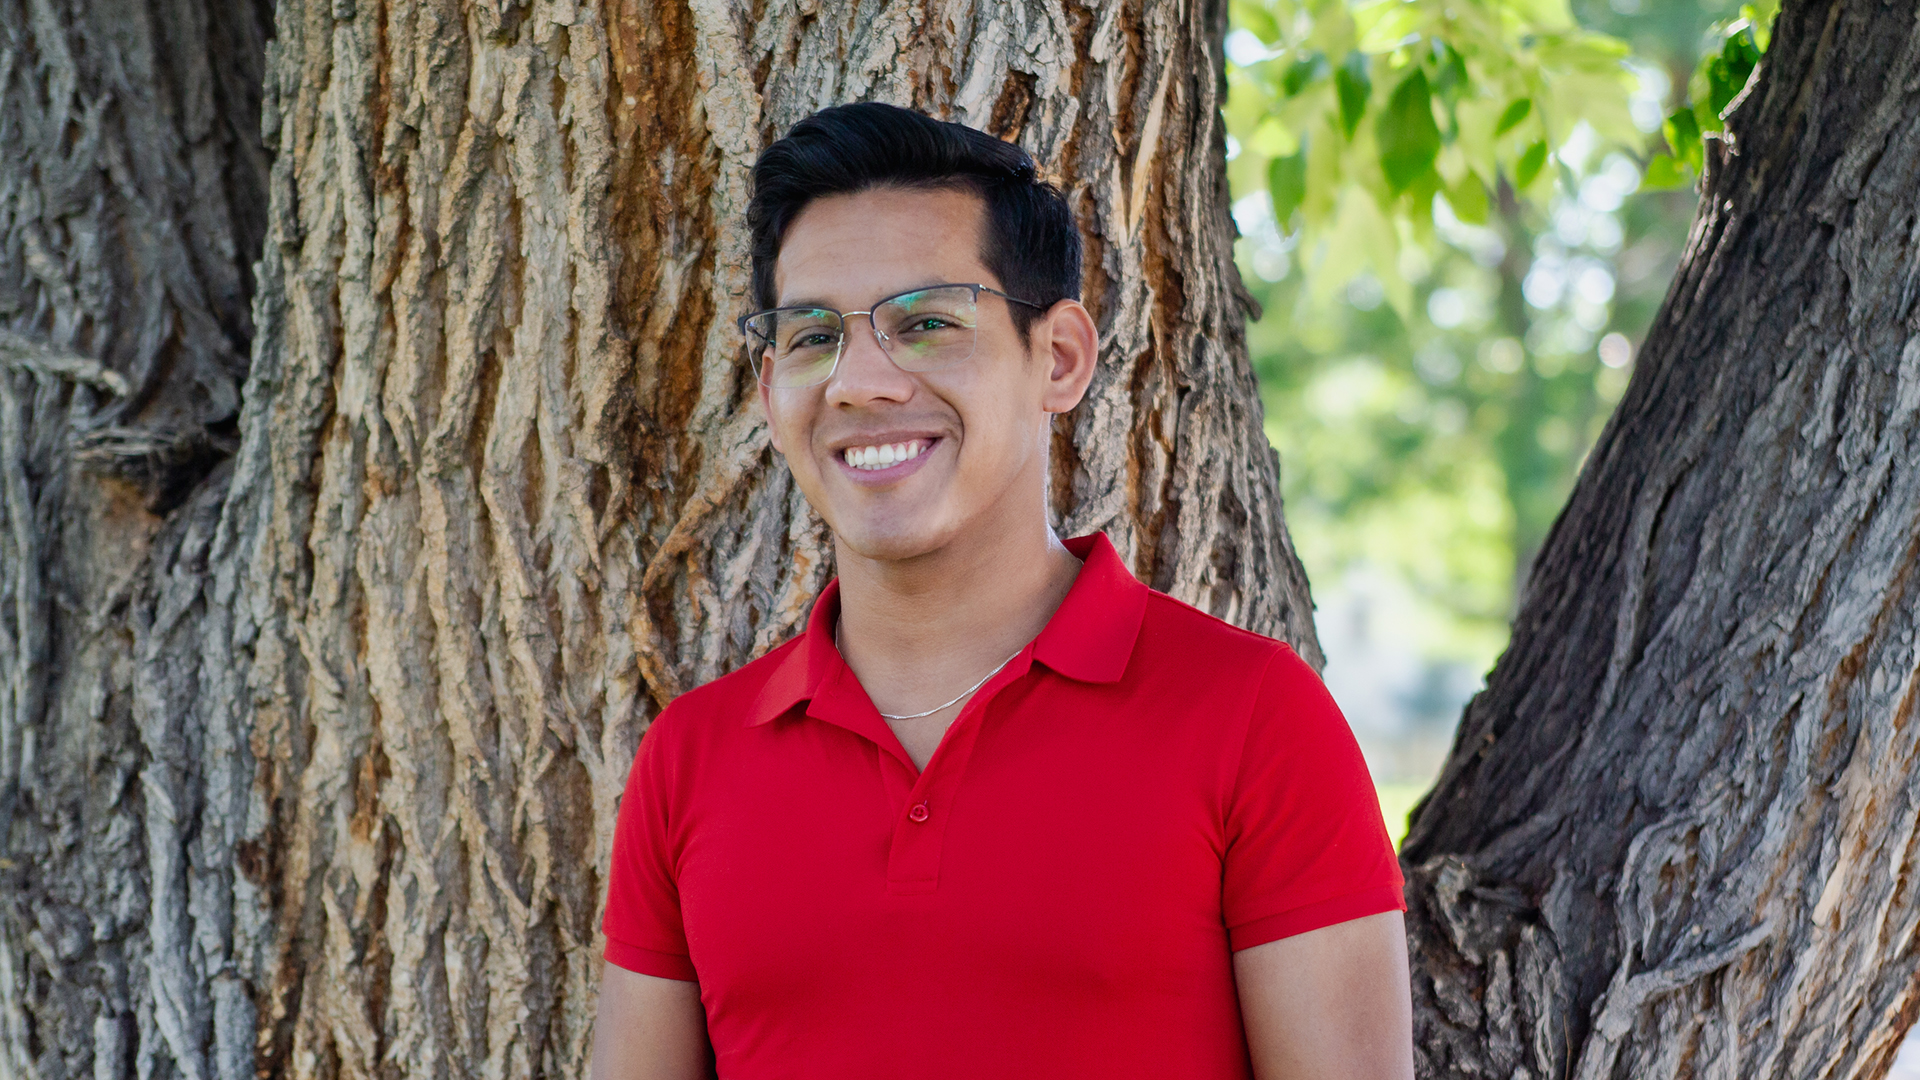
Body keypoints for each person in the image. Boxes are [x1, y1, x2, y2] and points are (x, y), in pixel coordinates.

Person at [588, 101, 1413, 1080]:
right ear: (771, 391)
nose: (860, 383)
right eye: (815, 338)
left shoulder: (1252, 717)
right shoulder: (692, 757)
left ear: (1057, 358)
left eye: (926, 323)